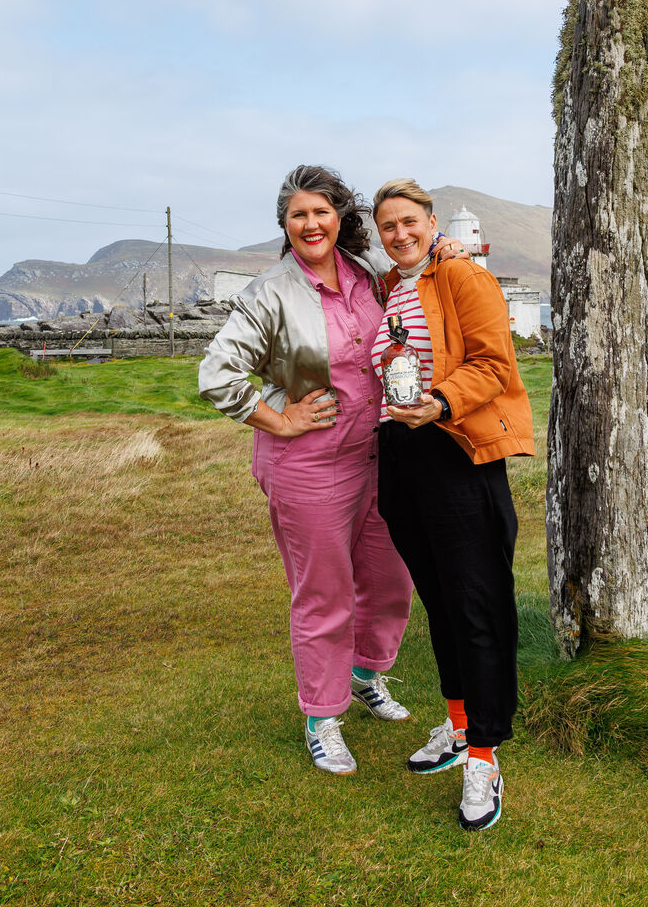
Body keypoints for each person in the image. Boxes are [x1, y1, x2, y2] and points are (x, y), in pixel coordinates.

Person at [198, 165, 469, 776]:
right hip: (308, 463)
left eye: (321, 212)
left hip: (382, 454)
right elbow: (216, 375)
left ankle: (367, 674)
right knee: (324, 593)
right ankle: (323, 717)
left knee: (391, 579)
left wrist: (446, 247)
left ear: (340, 218)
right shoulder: (269, 292)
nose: (311, 223)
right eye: (298, 214)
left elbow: (419, 273)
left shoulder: (370, 274)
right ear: (285, 225)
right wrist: (279, 417)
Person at [370, 178, 535, 831]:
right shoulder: (392, 288)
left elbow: (496, 364)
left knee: (477, 604)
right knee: (440, 601)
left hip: (457, 452)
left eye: (409, 221)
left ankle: (486, 759)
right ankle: (460, 728)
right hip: (402, 456)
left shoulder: (463, 277)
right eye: (388, 227)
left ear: (433, 221)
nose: (400, 234)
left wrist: (437, 403)